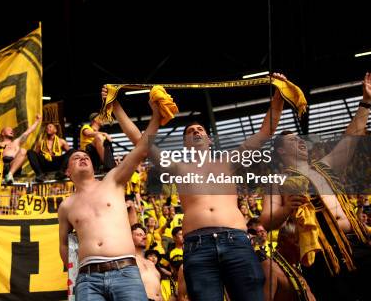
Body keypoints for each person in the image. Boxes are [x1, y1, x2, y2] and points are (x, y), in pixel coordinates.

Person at [105, 74, 287, 301]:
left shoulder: (228, 161)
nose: (196, 132)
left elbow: (265, 133)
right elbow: (139, 141)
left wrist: (280, 95)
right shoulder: (178, 166)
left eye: (200, 129)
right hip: (197, 246)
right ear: (185, 143)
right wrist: (116, 107)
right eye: (190, 132)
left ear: (209, 140)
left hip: (236, 240)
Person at [261, 73, 371, 300]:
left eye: (300, 139)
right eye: (293, 140)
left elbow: (352, 138)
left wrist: (366, 102)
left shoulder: (324, 166)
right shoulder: (277, 181)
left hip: (357, 243)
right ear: (281, 151)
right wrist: (285, 210)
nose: (301, 142)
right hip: (321, 255)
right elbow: (266, 220)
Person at [58, 98, 160, 300]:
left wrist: (155, 116)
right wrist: (73, 274)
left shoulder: (113, 179)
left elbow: (143, 149)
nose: (83, 157)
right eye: (75, 158)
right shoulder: (66, 206)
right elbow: (63, 243)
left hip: (125, 272)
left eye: (85, 156)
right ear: (68, 171)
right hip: (87, 279)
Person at [260, 221, 316, 301]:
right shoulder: (269, 267)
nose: (302, 248)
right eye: (297, 242)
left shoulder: (295, 269)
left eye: (304, 244)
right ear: (283, 241)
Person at [0, 114, 41, 184]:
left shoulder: (16, 142)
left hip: (14, 165)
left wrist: (37, 121)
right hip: (1, 166)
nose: (11, 131)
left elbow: (28, 132)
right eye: (9, 130)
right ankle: (8, 175)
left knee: (23, 151)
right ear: (2, 133)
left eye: (12, 130)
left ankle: (10, 174)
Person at [132, 223, 162, 301]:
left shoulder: (151, 263)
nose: (145, 237)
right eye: (139, 235)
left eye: (144, 235)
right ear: (129, 238)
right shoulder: (130, 260)